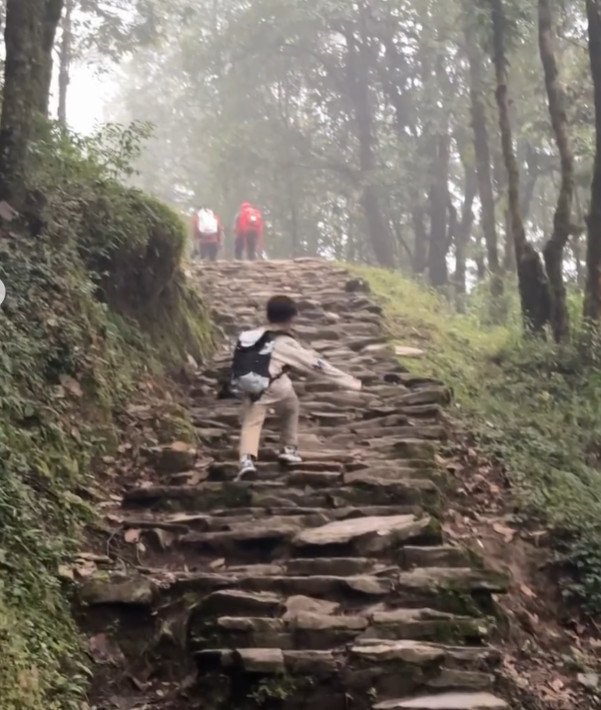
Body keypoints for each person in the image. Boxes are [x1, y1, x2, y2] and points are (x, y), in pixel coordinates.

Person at [232, 295, 362, 479]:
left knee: (251, 423)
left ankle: (246, 461)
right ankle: (288, 448)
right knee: (291, 406)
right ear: (292, 317)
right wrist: (349, 381)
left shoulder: (250, 336)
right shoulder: (284, 342)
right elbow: (314, 365)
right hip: (275, 386)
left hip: (250, 387)